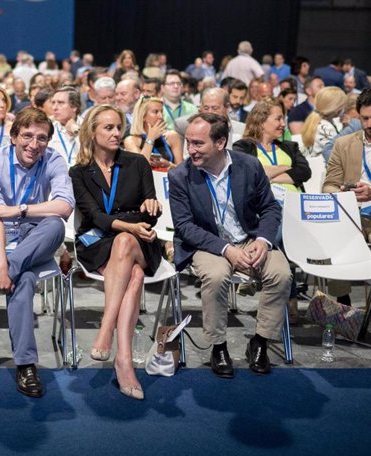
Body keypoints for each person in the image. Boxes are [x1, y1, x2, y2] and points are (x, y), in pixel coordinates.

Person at [169, 113, 291, 378]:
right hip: (207, 241)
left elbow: (270, 207)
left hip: (249, 237)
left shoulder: (249, 166)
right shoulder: (180, 176)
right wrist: (227, 250)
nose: (190, 150)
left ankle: (259, 342)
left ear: (220, 142)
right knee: (215, 276)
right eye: (188, 142)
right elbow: (185, 227)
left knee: (281, 275)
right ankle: (218, 346)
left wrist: (263, 239)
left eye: (198, 143)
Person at [0, 108, 74, 398]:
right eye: (26, 136)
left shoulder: (53, 160)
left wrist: (20, 209)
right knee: (23, 279)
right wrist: (2, 266)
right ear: (14, 137)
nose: (33, 144)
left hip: (35, 237)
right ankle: (26, 365)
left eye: (41, 138)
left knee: (55, 226)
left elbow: (64, 206)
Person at [70, 105, 162, 399]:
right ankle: (124, 362)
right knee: (133, 274)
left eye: (118, 127)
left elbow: (151, 212)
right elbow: (95, 216)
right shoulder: (79, 172)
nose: (116, 133)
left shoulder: (137, 162)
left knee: (124, 242)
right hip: (97, 242)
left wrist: (150, 208)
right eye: (108, 128)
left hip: (139, 240)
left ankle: (105, 327)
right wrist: (130, 224)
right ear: (92, 132)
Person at [232, 97, 311, 324]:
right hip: (264, 208)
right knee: (279, 228)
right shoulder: (243, 146)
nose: (283, 124)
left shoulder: (289, 146)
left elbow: (303, 172)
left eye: (283, 119)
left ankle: (253, 265)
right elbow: (250, 172)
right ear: (261, 120)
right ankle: (290, 305)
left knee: (283, 226)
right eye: (278, 118)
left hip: (296, 210)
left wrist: (270, 172)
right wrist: (284, 168)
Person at [321, 89, 371, 303]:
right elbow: (329, 185)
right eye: (365, 118)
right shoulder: (344, 144)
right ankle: (343, 302)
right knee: (333, 229)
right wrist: (344, 194)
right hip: (353, 214)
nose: (369, 124)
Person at [175, 87, 246, 151]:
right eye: (206, 108)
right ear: (200, 108)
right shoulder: (192, 128)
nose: (210, 112)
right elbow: (187, 158)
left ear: (227, 108)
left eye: (215, 108)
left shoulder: (242, 130)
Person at [124, 97, 182, 170]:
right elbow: (139, 167)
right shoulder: (131, 141)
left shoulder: (172, 136)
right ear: (143, 116)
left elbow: (182, 171)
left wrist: (168, 165)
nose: (160, 116)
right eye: (155, 112)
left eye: (161, 112)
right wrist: (151, 138)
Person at [301, 86, 346, 159]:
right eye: (342, 105)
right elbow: (339, 152)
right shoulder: (326, 127)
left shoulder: (318, 120)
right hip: (323, 167)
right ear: (336, 107)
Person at [49, 87, 81, 166]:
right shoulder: (49, 130)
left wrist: (78, 131)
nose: (54, 108)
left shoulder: (87, 126)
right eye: (53, 103)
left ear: (74, 107)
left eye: (60, 103)